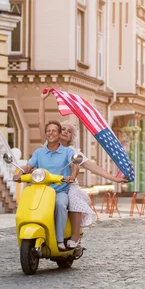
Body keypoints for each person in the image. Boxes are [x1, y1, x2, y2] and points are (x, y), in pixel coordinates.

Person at [39, 89, 127, 248]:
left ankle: (74, 235)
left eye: (69, 131)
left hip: (67, 185)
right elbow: (41, 123)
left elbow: (93, 167)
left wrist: (114, 178)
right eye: (63, 129)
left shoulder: (73, 152)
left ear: (72, 137)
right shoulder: (47, 146)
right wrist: (42, 101)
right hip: (46, 185)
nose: (65, 132)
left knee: (72, 199)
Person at [13, 120, 78, 251]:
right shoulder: (39, 152)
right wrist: (19, 173)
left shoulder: (67, 152)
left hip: (60, 191)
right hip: (41, 191)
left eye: (54, 131)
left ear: (59, 134)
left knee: (60, 204)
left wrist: (71, 176)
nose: (50, 133)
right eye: (48, 131)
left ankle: (60, 240)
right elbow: (29, 166)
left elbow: (74, 165)